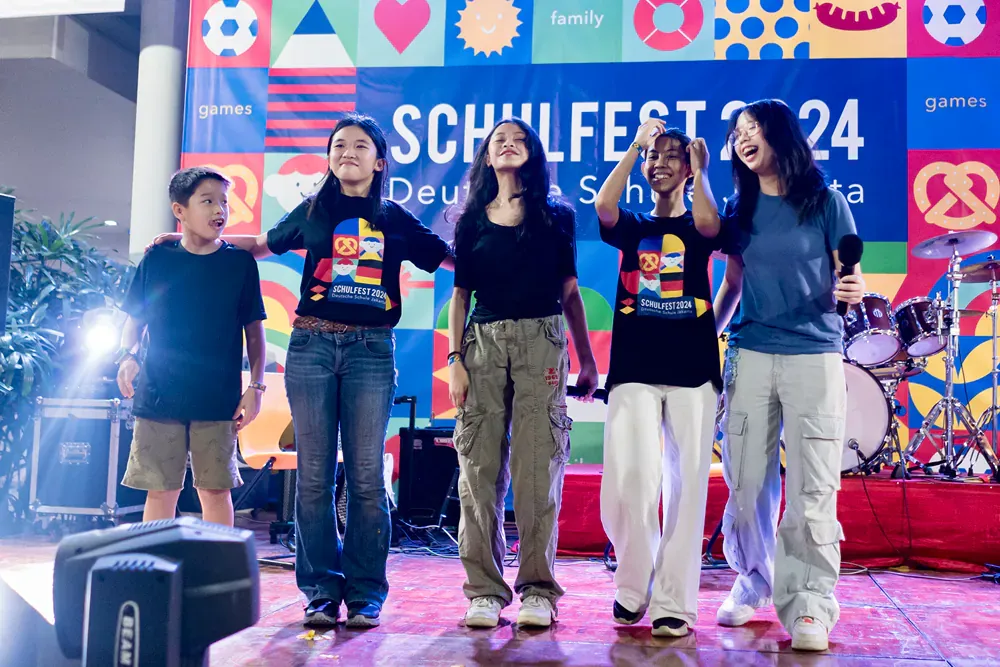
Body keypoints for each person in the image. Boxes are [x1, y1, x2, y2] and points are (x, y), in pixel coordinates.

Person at [150, 114, 452, 629]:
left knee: (364, 476)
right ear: (329, 157)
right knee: (313, 476)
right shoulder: (312, 210)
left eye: (360, 146)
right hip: (311, 346)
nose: (348, 152)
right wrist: (186, 239)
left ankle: (364, 594)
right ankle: (318, 590)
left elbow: (446, 259)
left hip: (371, 351)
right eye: (339, 145)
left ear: (379, 162)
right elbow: (261, 245)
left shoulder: (394, 217)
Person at [712, 99, 865, 651]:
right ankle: (754, 578)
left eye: (753, 128)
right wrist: (709, 334)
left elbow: (850, 275)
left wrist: (852, 288)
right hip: (750, 351)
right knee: (746, 480)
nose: (742, 137)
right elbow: (732, 285)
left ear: (781, 135)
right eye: (737, 132)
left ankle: (809, 605)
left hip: (815, 354)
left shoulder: (827, 203)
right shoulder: (738, 208)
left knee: (813, 485)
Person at [447, 118, 599, 629]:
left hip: (543, 341)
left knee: (538, 471)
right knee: (479, 470)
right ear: (487, 158)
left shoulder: (557, 215)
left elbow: (571, 292)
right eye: (498, 141)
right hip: (483, 344)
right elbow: (460, 295)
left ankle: (538, 590)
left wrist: (588, 358)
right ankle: (484, 591)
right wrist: (454, 362)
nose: (508, 145)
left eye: (519, 139)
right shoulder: (470, 219)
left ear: (532, 154)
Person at [594, 120, 725, 637]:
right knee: (630, 480)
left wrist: (703, 174)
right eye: (656, 156)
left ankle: (675, 601)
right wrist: (633, 148)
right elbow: (604, 207)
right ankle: (632, 585)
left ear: (689, 167)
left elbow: (714, 226)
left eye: (674, 155)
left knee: (687, 485)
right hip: (634, 368)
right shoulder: (631, 225)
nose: (661, 163)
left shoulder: (698, 225)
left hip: (692, 369)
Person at [117, 166, 267, 528]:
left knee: (215, 492)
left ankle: (220, 576)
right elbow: (135, 320)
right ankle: (157, 571)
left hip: (217, 400)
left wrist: (256, 388)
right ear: (179, 211)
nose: (220, 211)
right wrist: (128, 356)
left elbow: (254, 332)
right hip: (159, 394)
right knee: (160, 490)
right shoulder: (158, 259)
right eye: (208, 201)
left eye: (224, 202)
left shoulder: (240, 264)